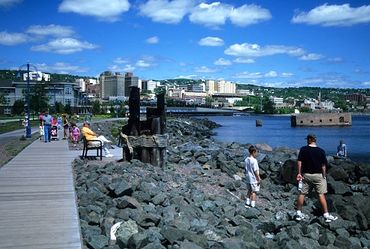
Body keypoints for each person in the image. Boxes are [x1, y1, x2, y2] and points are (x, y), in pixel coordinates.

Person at [295, 134, 338, 223]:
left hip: (306, 175)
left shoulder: (303, 149)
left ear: (310, 139)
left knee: (302, 193)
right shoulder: (321, 151)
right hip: (318, 175)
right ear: (315, 140)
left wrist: (299, 173)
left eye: (307, 139)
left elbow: (299, 162)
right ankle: (326, 215)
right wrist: (324, 175)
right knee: (321, 194)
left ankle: (298, 213)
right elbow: (323, 165)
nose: (306, 140)